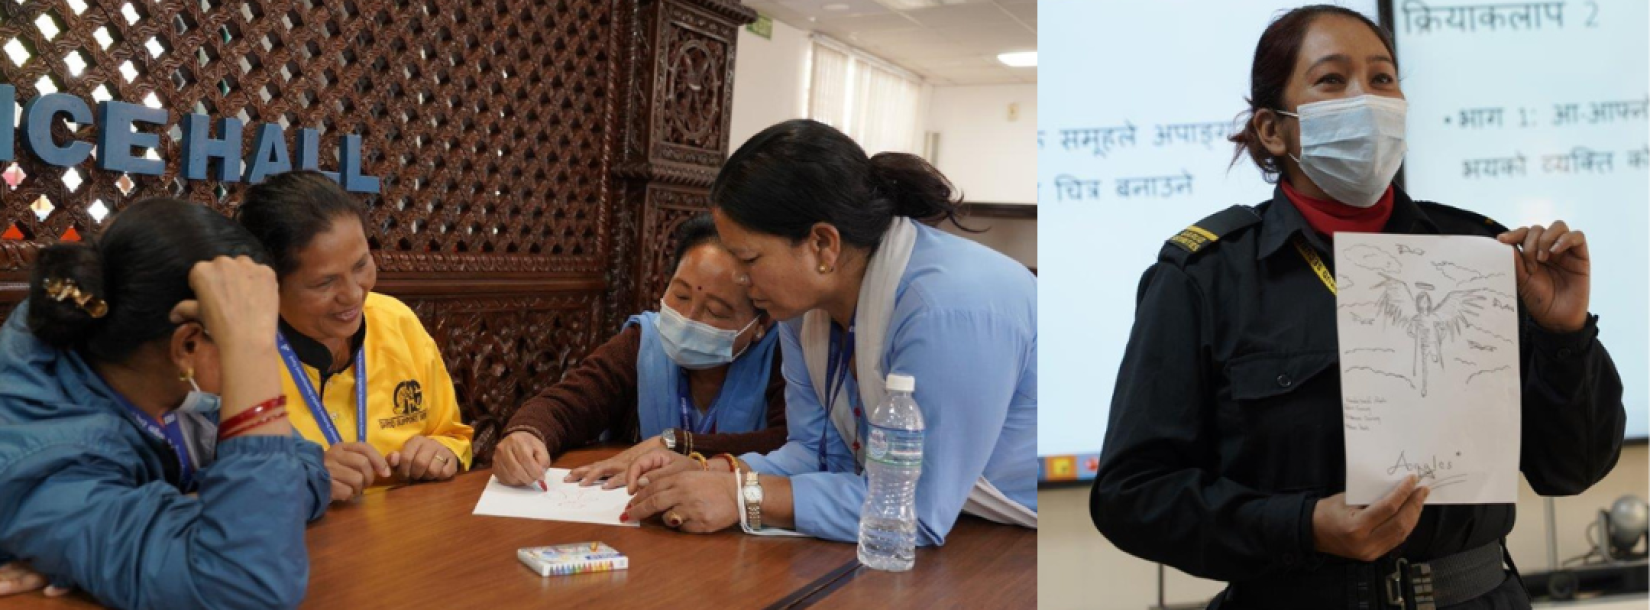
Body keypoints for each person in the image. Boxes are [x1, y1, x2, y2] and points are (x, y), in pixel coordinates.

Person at [1090, 6, 1626, 609]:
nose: (1367, 99)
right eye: (1331, 80)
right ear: (1273, 129)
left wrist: (1565, 332)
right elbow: (1132, 495)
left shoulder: (1479, 255)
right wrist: (1302, 525)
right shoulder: (1206, 277)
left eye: (1382, 79)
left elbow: (1572, 469)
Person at [622, 119, 1038, 544]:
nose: (743, 281)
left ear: (823, 244)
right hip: (962, 524)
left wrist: (744, 496)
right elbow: (818, 454)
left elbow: (909, 510)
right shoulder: (803, 308)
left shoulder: (944, 307)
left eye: (748, 259)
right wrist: (713, 472)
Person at [0, 198, 329, 608]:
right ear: (188, 345)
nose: (272, 349)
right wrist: (247, 350)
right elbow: (246, 586)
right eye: (261, 333)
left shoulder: (146, 375)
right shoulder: (48, 462)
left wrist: (181, 521)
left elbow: (308, 467)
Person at [493, 215, 787, 488]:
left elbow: (788, 445)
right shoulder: (644, 342)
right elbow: (569, 403)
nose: (688, 318)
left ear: (761, 322)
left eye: (716, 311)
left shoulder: (783, 357)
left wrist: (676, 444)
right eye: (681, 295)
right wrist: (527, 434)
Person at [237, 171, 474, 503]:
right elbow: (213, 489)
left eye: (362, 265)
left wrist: (440, 452)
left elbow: (452, 436)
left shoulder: (397, 322)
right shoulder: (233, 354)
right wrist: (304, 476)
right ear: (269, 284)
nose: (352, 295)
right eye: (324, 283)